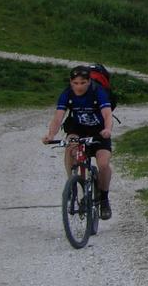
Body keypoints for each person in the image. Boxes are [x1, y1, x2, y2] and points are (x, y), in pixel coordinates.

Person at [42, 65, 114, 220]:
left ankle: (104, 199)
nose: (79, 86)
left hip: (99, 131)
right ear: (71, 82)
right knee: (70, 147)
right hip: (77, 128)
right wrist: (50, 134)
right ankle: (72, 185)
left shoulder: (98, 92)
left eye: (82, 83)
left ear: (89, 82)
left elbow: (107, 114)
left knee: (103, 164)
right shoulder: (67, 94)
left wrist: (107, 129)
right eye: (75, 83)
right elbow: (58, 117)